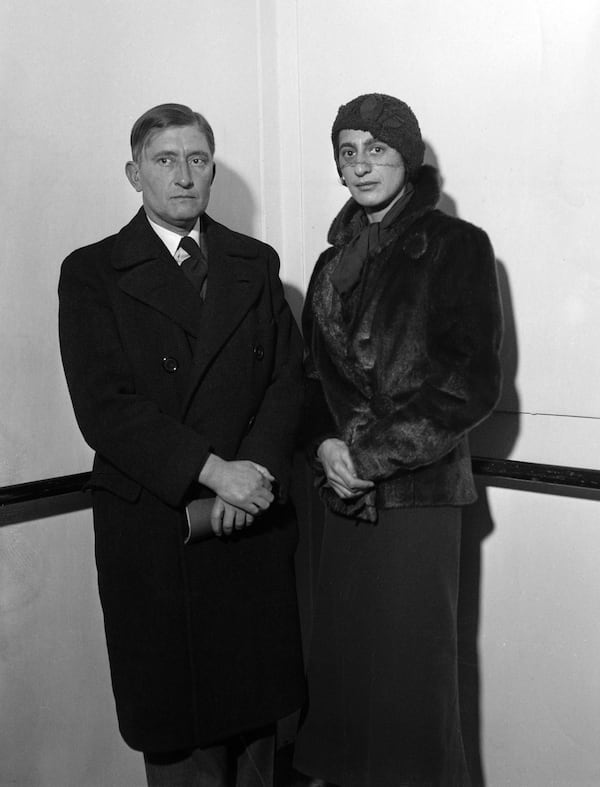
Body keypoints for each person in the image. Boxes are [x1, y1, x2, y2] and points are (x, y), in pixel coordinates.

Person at [58, 103, 305, 787]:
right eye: (165, 160)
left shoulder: (254, 264)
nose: (184, 175)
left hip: (250, 521)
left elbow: (289, 378)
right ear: (134, 173)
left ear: (213, 170)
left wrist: (252, 471)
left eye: (198, 159)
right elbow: (105, 408)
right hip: (158, 532)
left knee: (258, 737)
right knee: (181, 740)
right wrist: (212, 470)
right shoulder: (92, 273)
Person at [291, 94, 503, 787]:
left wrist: (367, 455)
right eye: (347, 151)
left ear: (406, 158)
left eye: (375, 150)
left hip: (416, 496)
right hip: (342, 498)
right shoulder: (330, 265)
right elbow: (310, 378)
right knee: (349, 681)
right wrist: (327, 446)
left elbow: (470, 383)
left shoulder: (457, 245)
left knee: (411, 684)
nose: (360, 165)